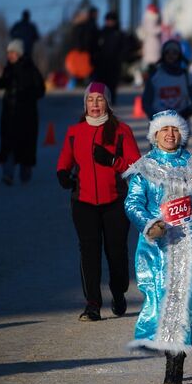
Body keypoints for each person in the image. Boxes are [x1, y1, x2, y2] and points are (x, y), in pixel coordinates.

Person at [124, 110, 192, 384]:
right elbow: (132, 203)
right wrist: (150, 224)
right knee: (164, 300)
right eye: (164, 130)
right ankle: (169, 351)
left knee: (186, 299)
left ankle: (176, 363)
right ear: (154, 135)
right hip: (158, 246)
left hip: (189, 242)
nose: (170, 135)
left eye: (175, 130)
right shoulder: (143, 167)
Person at [56, 82, 141, 321]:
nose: (94, 103)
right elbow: (64, 162)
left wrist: (113, 160)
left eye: (99, 99)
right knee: (89, 252)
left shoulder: (122, 130)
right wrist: (63, 175)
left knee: (116, 252)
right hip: (83, 201)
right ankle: (92, 303)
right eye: (90, 99)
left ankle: (118, 291)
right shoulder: (75, 132)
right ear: (85, 104)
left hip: (115, 200)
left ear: (108, 103)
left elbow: (136, 167)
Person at [0, 39, 45, 185]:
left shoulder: (31, 69)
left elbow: (41, 90)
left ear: (19, 53)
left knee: (26, 145)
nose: (9, 55)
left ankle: (25, 172)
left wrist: (27, 94)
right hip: (9, 114)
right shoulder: (7, 69)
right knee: (8, 145)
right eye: (8, 52)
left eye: (12, 52)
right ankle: (8, 174)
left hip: (27, 115)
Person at [141, 39, 192, 119]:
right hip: (159, 126)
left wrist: (184, 114)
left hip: (181, 125)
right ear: (163, 55)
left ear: (179, 55)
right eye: (167, 52)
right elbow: (146, 102)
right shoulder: (155, 76)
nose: (171, 55)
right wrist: (155, 118)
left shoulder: (186, 76)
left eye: (174, 52)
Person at [92, 11, 138, 106]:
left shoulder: (120, 34)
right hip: (102, 63)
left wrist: (122, 57)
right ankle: (101, 101)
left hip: (114, 63)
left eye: (112, 20)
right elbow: (94, 47)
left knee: (112, 84)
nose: (110, 22)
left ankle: (111, 102)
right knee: (101, 83)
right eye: (108, 20)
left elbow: (127, 47)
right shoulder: (101, 33)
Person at [138, 4, 162, 78]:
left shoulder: (147, 18)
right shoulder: (150, 18)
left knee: (153, 66)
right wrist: (161, 28)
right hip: (152, 46)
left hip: (152, 46)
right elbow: (151, 30)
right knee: (152, 66)